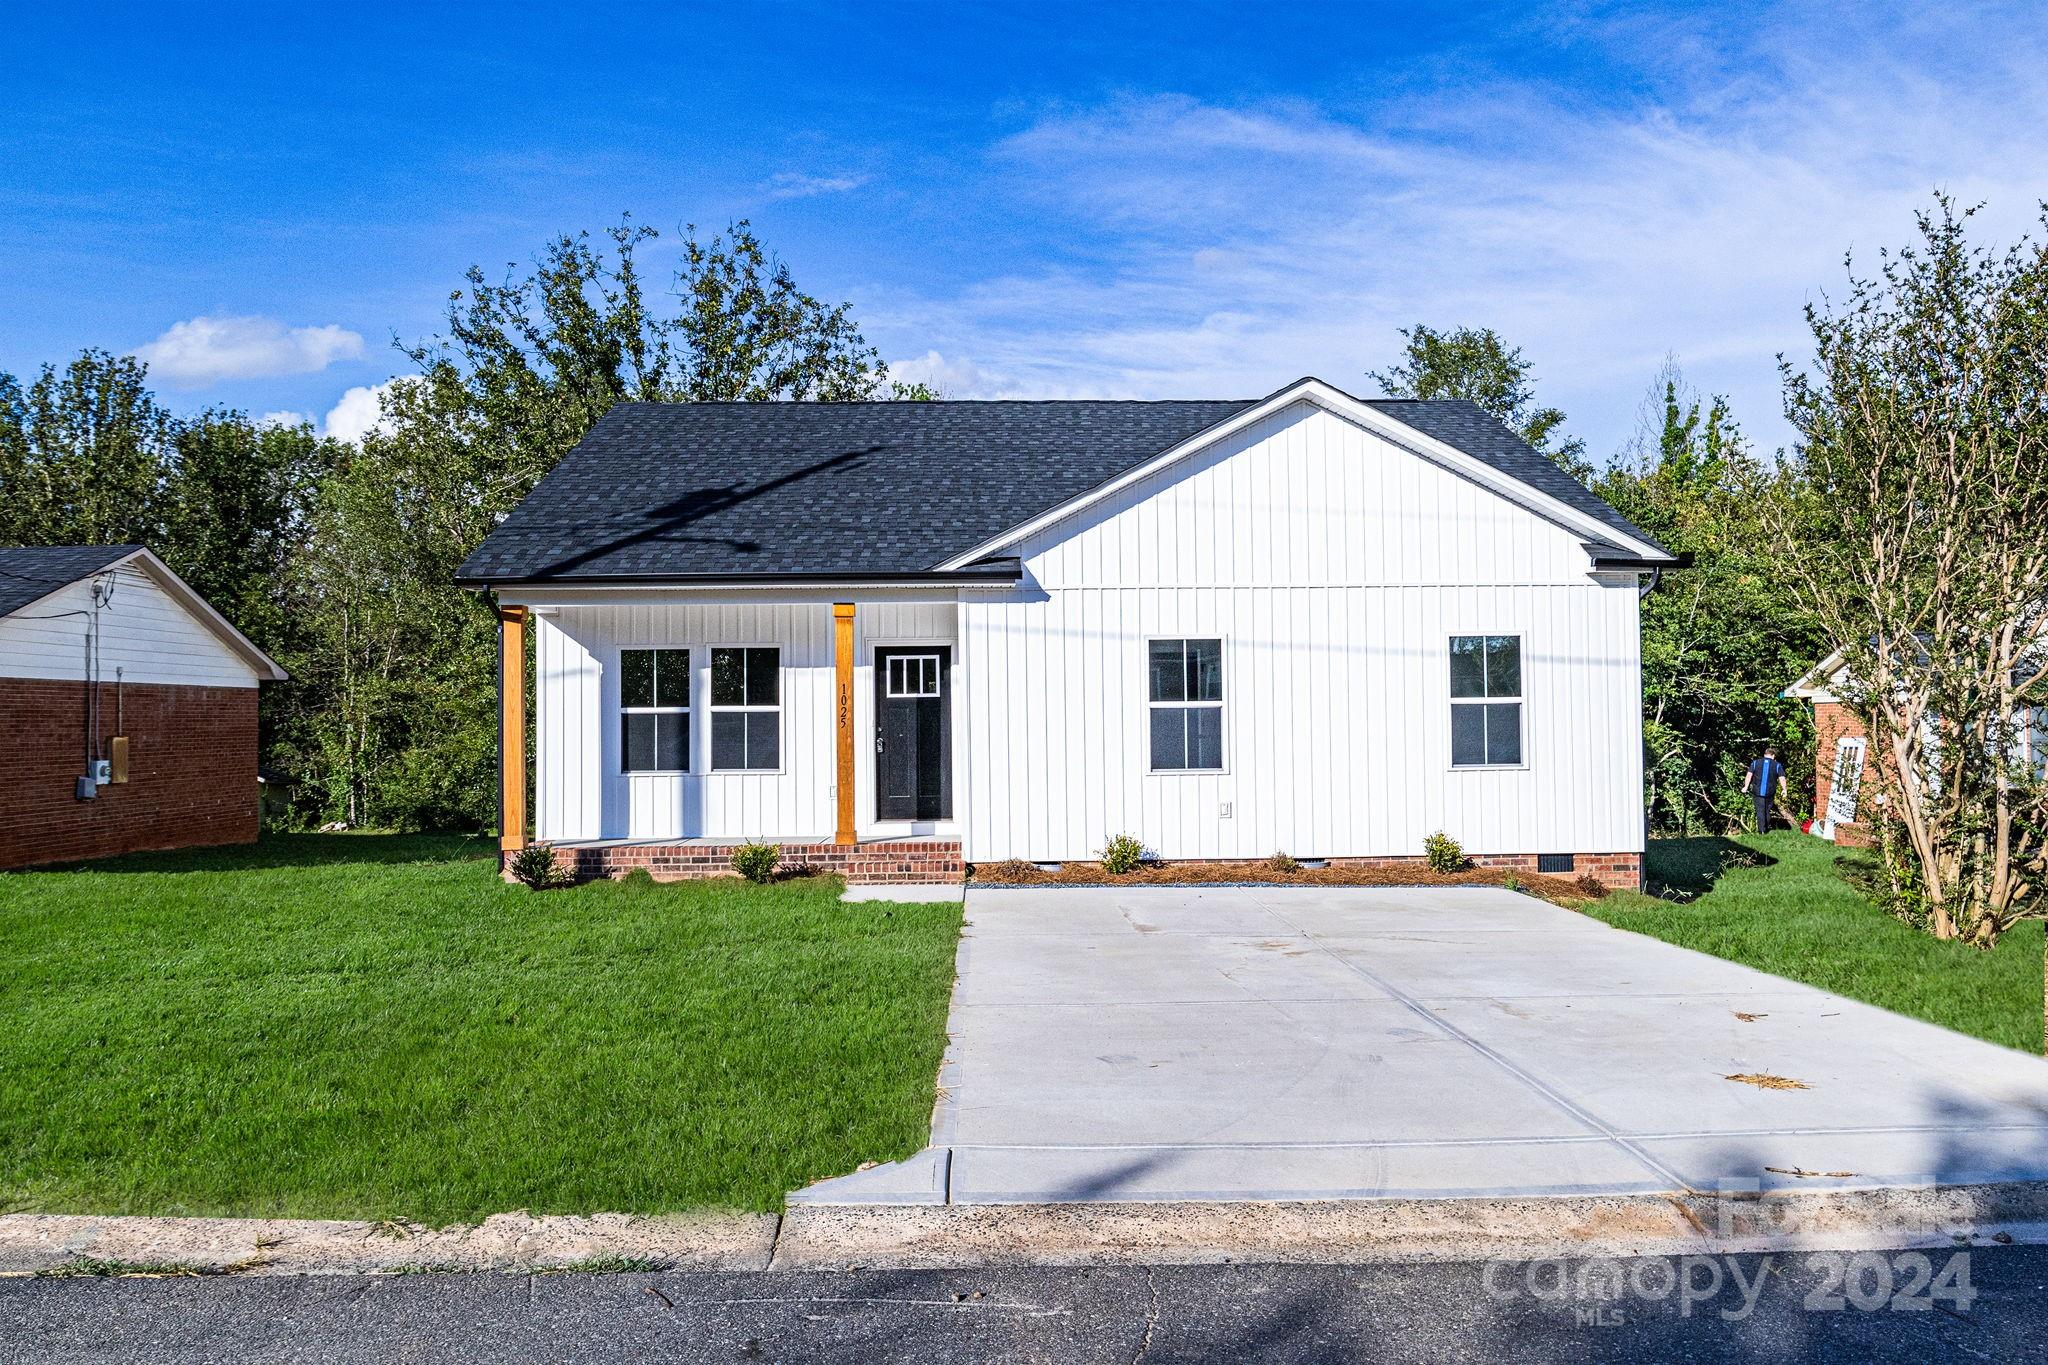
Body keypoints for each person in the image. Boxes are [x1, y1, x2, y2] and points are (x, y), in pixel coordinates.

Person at [1742, 745, 1785, 834]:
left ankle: (1762, 830)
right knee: (1766, 810)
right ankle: (1764, 829)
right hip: (1770, 792)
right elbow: (1782, 778)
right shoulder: (1777, 765)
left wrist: (1746, 786)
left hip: (1757, 792)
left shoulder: (1755, 763)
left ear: (1765, 755)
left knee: (1760, 810)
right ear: (1773, 756)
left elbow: (1749, 775)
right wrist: (1784, 789)